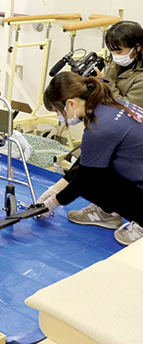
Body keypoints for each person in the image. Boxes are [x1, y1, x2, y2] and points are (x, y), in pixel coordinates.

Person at [38, 71, 143, 246]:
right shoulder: (110, 105)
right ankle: (107, 212)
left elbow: (85, 180)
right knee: (83, 171)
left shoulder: (100, 127)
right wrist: (54, 189)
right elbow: (87, 159)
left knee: (89, 181)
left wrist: (52, 203)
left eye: (57, 111)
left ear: (70, 104)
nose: (58, 117)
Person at [67, 20, 143, 229]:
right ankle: (107, 210)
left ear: (137, 47)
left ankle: (139, 221)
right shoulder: (118, 64)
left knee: (94, 171)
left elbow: (127, 108)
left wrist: (104, 83)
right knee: (86, 166)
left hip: (133, 134)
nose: (115, 55)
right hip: (120, 129)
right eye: (111, 50)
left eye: (119, 51)